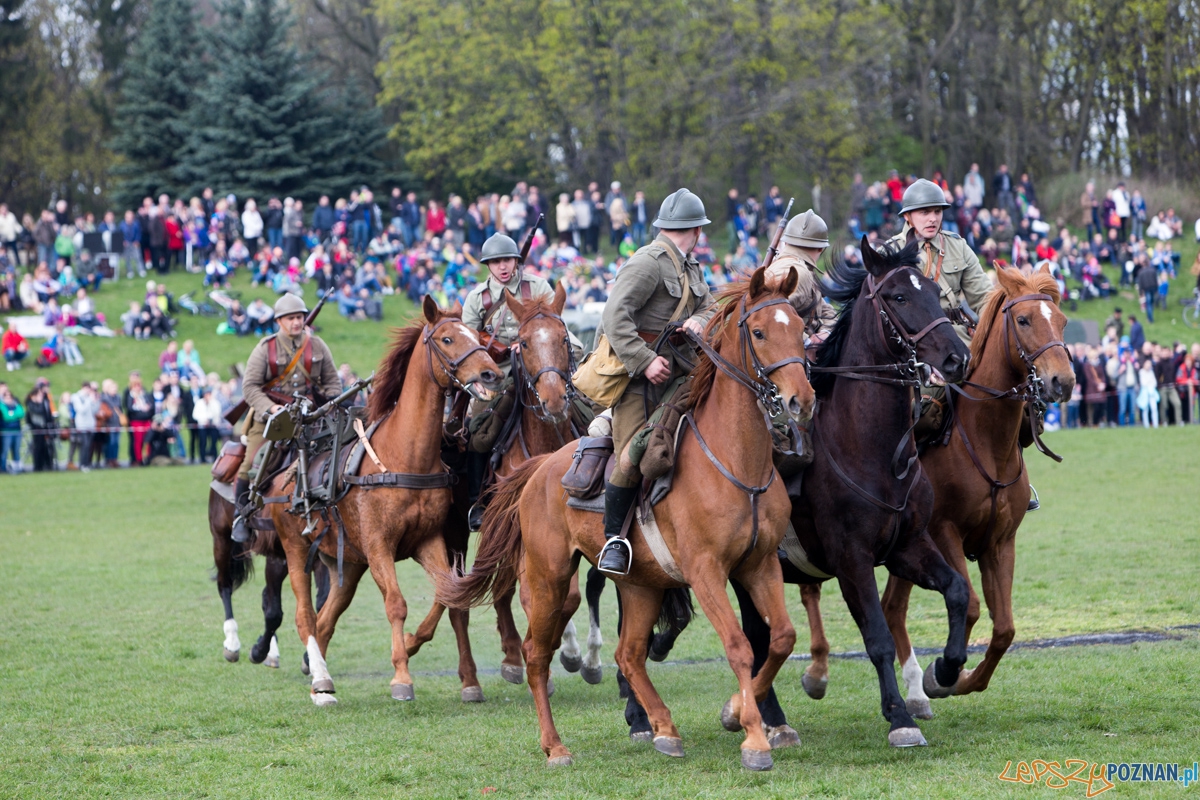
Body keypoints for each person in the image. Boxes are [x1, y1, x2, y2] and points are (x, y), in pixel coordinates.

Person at [596, 188, 718, 575]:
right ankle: (614, 539)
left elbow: (709, 303)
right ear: (696, 229)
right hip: (637, 382)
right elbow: (615, 318)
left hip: (682, 374)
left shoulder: (690, 267)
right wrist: (645, 361)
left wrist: (700, 319)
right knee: (634, 454)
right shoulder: (647, 263)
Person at [231, 293, 341, 542]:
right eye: (291, 318)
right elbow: (249, 387)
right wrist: (272, 410)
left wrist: (329, 402)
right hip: (272, 419)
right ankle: (242, 515)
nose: (297, 322)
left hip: (311, 418)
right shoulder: (265, 348)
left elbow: (333, 381)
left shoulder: (318, 345)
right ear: (279, 321)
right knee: (251, 466)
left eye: (300, 317)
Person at [763, 210, 838, 342]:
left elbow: (827, 311)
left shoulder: (803, 270)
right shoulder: (799, 273)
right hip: (791, 353)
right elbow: (769, 315)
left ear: (786, 243)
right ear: (821, 248)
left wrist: (825, 333)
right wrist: (807, 342)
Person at [0, 383, 24, 473]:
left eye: (10, 396)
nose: (9, 398)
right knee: (4, 451)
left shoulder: (16, 403)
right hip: (6, 431)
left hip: (16, 430)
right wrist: (14, 415)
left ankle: (17, 468)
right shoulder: (1, 404)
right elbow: (6, 417)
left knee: (16, 451)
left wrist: (11, 415)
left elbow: (21, 413)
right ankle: (2, 468)